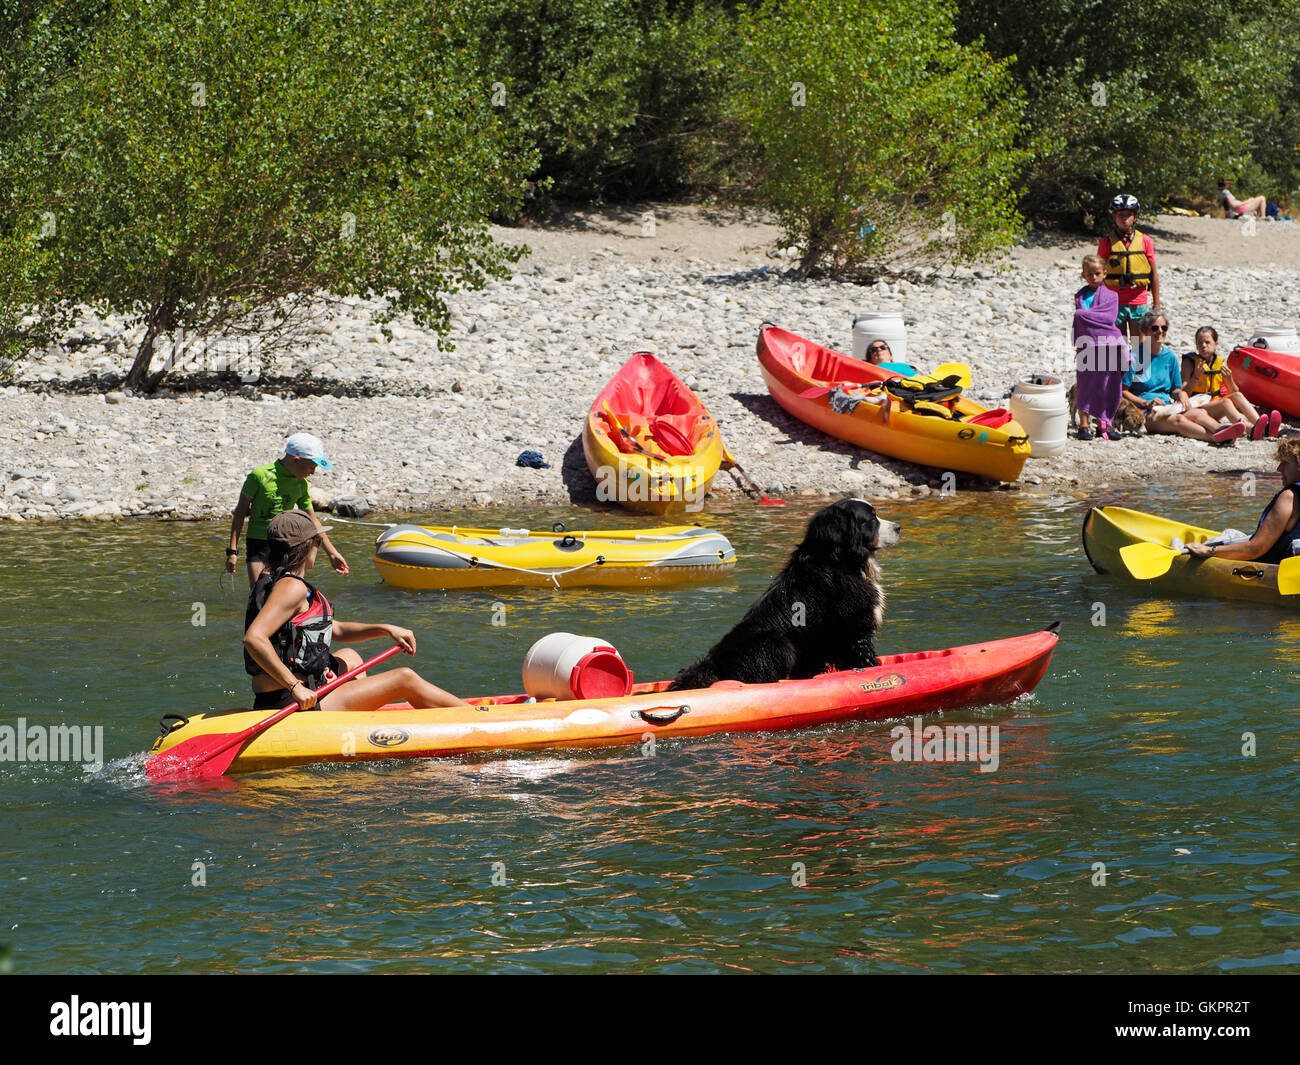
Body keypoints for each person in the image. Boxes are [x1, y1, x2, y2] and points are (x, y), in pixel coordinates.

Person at [243, 511, 468, 711]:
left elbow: (335, 629)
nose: (319, 547)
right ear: (308, 546)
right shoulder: (292, 587)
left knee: (350, 657)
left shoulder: (274, 581)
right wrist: (294, 687)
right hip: (292, 700)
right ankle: (473, 719)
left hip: (293, 691)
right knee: (404, 678)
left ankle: (358, 723)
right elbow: (254, 638)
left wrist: (385, 629)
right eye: (318, 541)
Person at [227, 432, 348, 587]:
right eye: (312, 466)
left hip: (287, 543)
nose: (313, 472)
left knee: (288, 593)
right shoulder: (259, 476)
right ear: (296, 460)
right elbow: (240, 512)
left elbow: (313, 520)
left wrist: (332, 553)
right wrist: (232, 551)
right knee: (260, 595)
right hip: (259, 543)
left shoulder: (301, 484)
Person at [1121, 311, 1245, 445]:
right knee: (1178, 420)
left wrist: (1181, 394)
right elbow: (1123, 391)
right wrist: (1146, 403)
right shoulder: (1133, 356)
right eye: (1154, 328)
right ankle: (1216, 437)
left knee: (1198, 413)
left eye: (1164, 328)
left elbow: (1175, 389)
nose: (1160, 331)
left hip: (1167, 406)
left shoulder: (1170, 357)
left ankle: (1221, 430)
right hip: (1145, 412)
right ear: (1145, 331)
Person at [1186, 439, 1300, 563]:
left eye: (1286, 463)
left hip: (1267, 567)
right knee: (1233, 534)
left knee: (1227, 534)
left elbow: (1256, 549)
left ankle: (1180, 547)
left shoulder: (1289, 497)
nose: (1279, 468)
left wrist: (1209, 551)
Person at [1181, 325, 1279, 440]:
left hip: (1213, 405)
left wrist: (1229, 380)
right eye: (1200, 343)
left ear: (1216, 344)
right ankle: (1251, 430)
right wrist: (1196, 377)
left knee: (1236, 395)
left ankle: (1263, 427)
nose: (1203, 346)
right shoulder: (1190, 363)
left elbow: (1234, 393)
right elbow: (1184, 394)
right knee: (1226, 402)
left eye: (1207, 342)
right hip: (1197, 407)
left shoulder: (1220, 363)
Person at [1072, 253, 1129, 440]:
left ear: (1105, 273)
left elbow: (1108, 319)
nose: (1094, 277)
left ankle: (1104, 423)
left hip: (1108, 345)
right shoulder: (1080, 296)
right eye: (1089, 274)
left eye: (1097, 273)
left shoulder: (1111, 297)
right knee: (1086, 384)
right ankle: (1084, 424)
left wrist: (1083, 316)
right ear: (1084, 275)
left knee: (1107, 384)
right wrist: (1083, 317)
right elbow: (1084, 321)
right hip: (1087, 345)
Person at [1097, 193, 1160, 341]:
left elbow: (1153, 274)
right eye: (1120, 215)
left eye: (1128, 214)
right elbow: (1098, 274)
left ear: (1135, 217)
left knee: (1141, 345)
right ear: (1114, 217)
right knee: (1119, 344)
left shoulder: (1145, 240)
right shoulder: (1106, 242)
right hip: (1114, 301)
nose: (1124, 218)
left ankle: (1141, 365)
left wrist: (1156, 304)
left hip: (1138, 300)